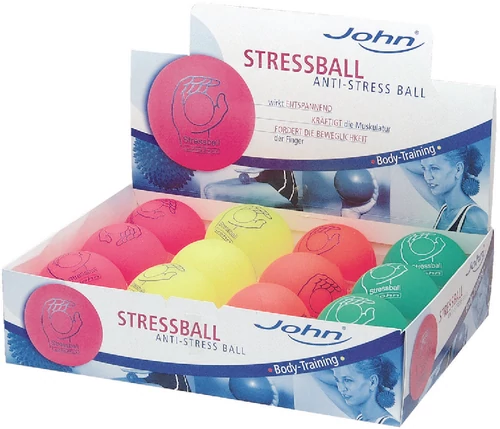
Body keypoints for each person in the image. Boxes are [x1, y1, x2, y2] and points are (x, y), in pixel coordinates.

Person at [402, 146, 488, 234]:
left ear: (458, 169)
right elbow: (404, 164)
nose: (427, 177)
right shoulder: (445, 208)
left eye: (434, 168)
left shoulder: (476, 217)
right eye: (423, 169)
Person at [312, 356, 400, 425]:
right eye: (337, 380)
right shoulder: (360, 417)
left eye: (348, 380)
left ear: (373, 381)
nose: (341, 389)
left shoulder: (391, 424)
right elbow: (315, 373)